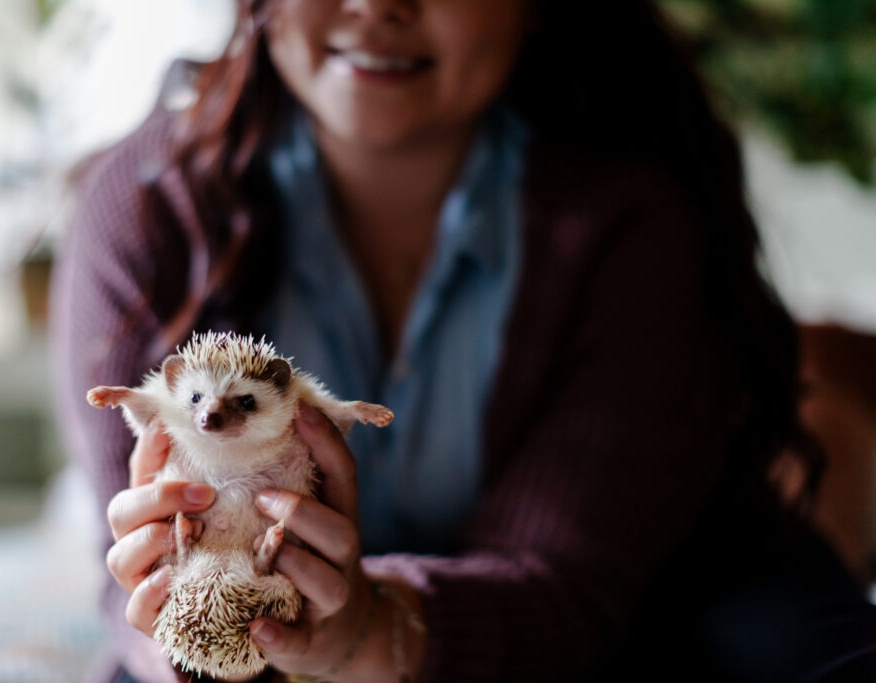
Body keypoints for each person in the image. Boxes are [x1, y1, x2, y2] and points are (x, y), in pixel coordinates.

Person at [49, 0, 876, 681]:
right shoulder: (144, 212)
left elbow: (569, 583)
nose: (378, 7)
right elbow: (124, 577)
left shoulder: (631, 229)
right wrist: (192, 634)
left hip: (638, 580)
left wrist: (369, 629)